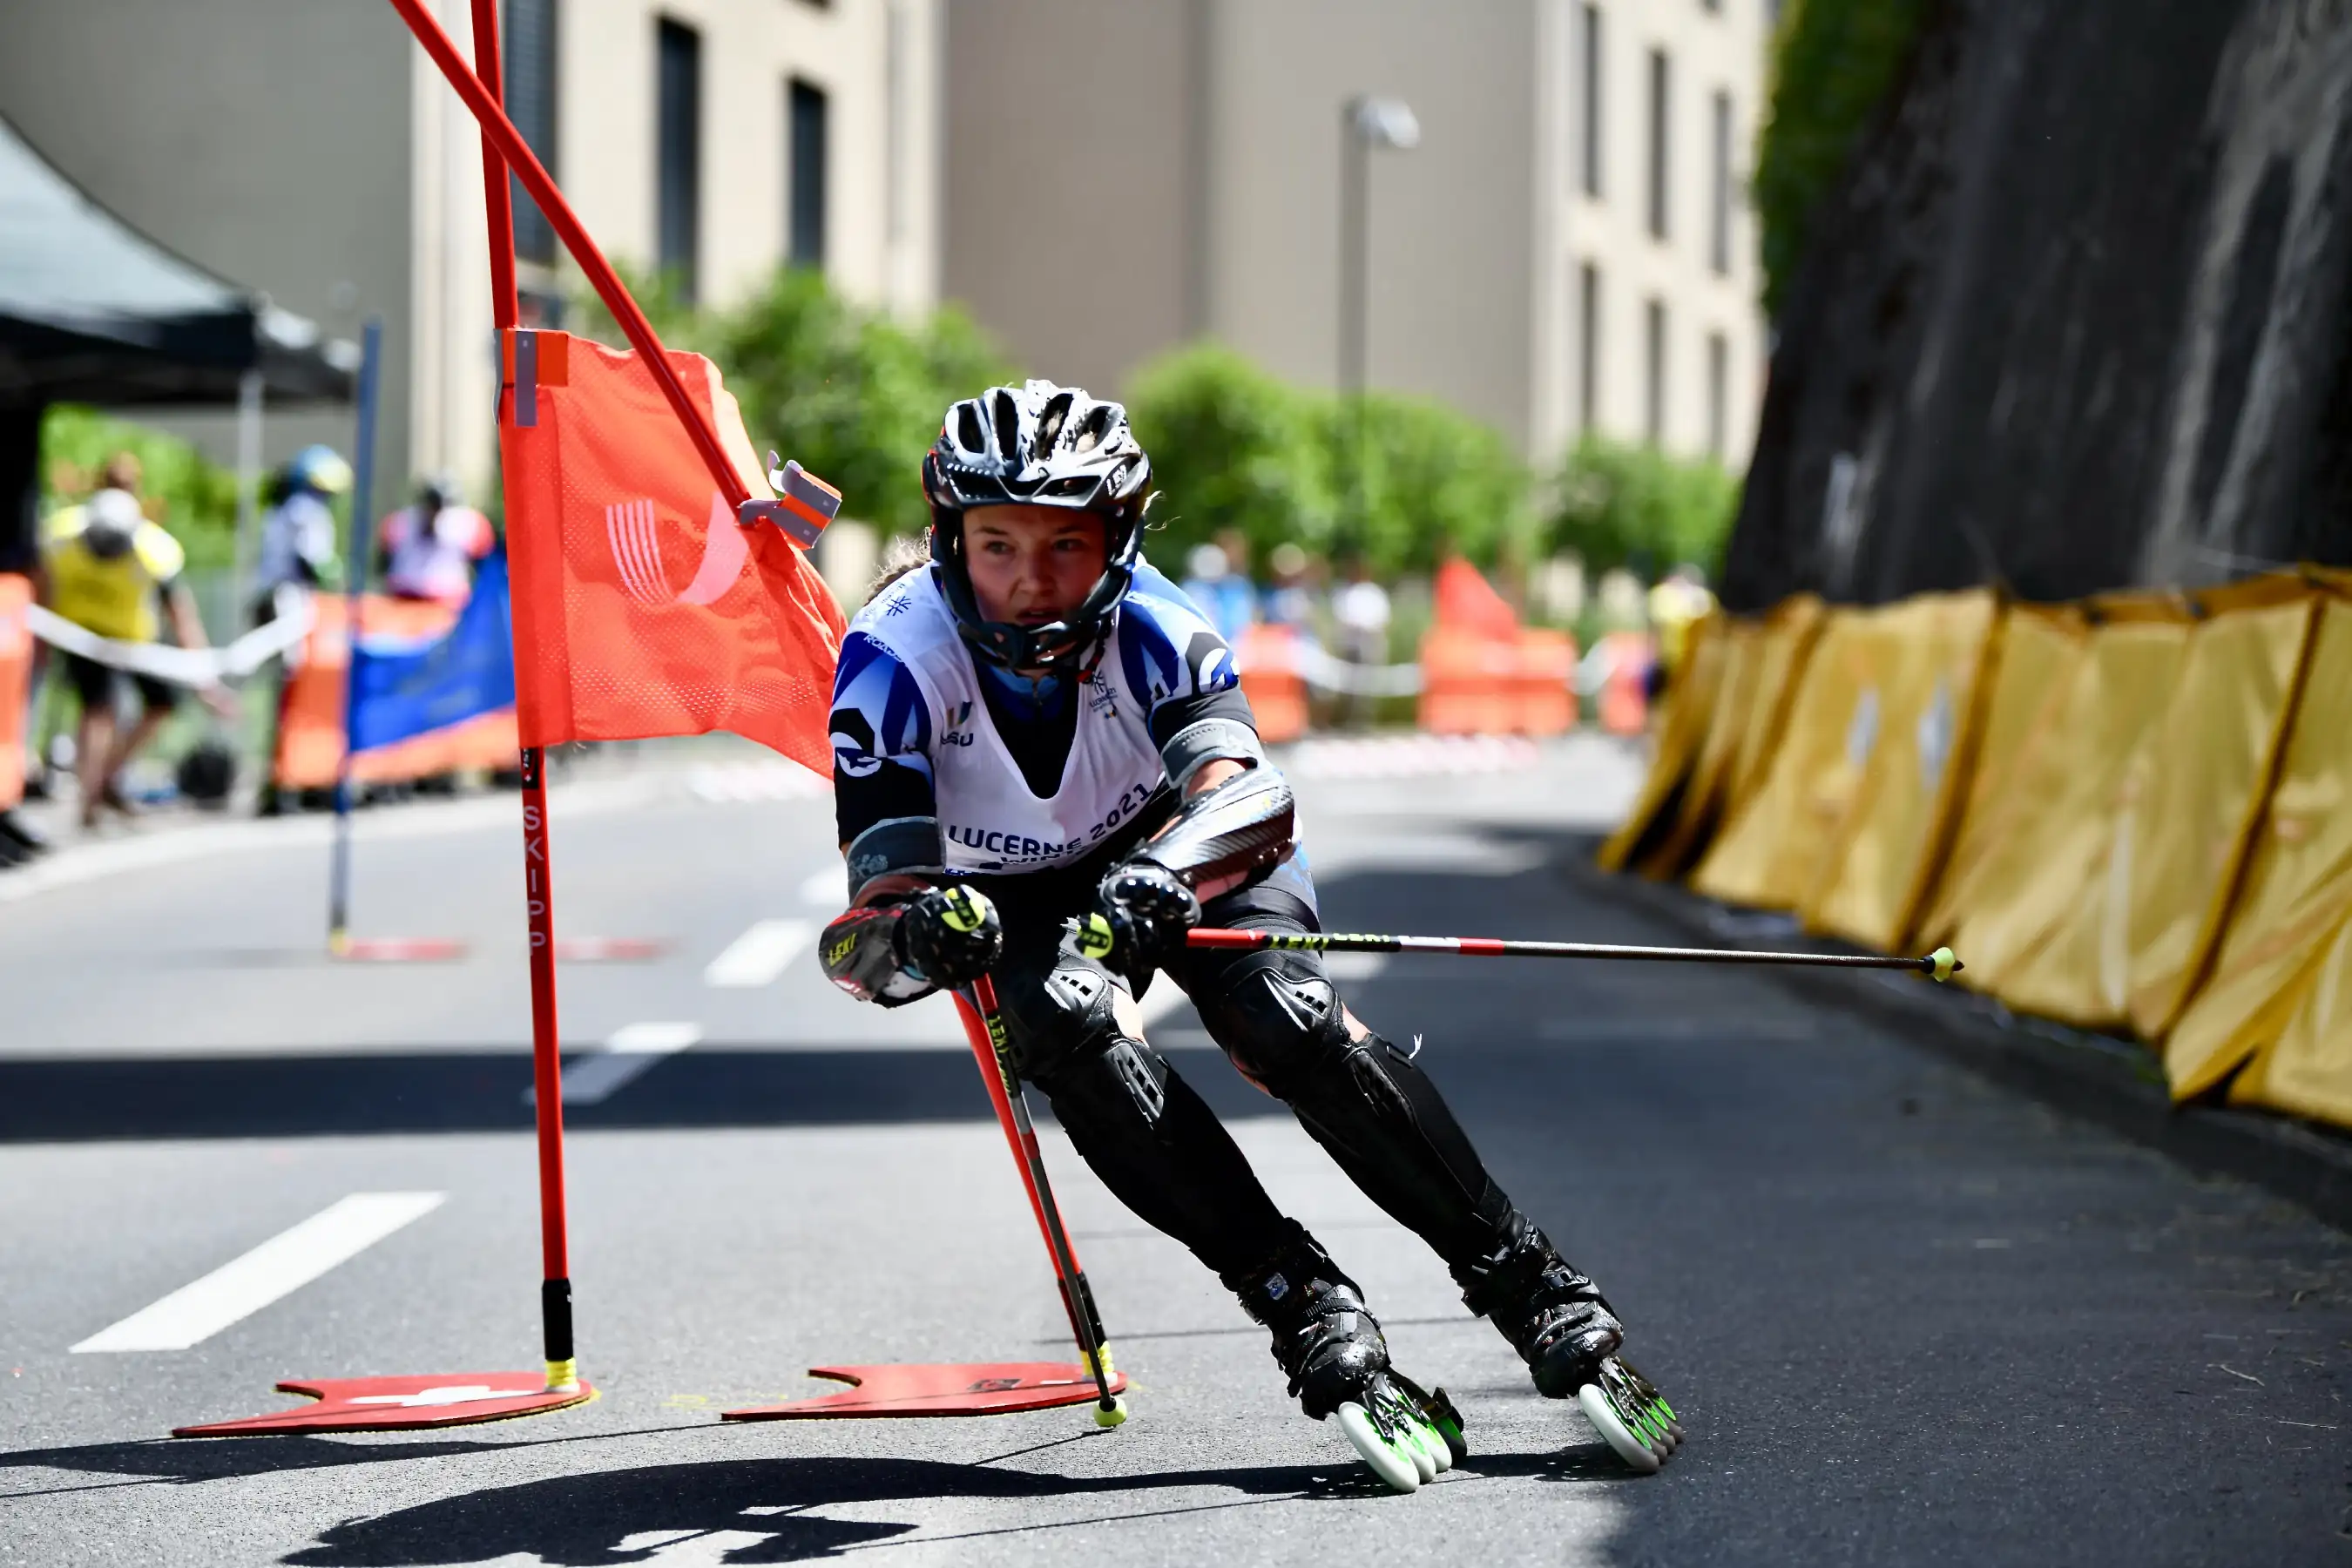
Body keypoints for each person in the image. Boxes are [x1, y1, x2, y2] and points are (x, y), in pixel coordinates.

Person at [820, 381, 1633, 1465]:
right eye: (996, 544)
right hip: (1010, 891)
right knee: (1065, 1030)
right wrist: (922, 936)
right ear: (947, 537)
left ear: (1117, 539)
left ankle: (1527, 1281)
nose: (1027, 581)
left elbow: (1252, 795)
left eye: (1064, 545)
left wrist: (1167, 868)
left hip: (1176, 841)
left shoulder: (1160, 621)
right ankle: (1299, 1300)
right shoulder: (889, 661)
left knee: (1283, 1016)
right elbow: (866, 931)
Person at [38, 480, 232, 828]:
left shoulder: (155, 554)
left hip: (134, 641)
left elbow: (182, 617)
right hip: (82, 636)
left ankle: (108, 776)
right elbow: (39, 588)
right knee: (99, 710)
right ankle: (90, 799)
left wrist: (206, 681)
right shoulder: (60, 537)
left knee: (163, 702)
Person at [376, 472, 495, 605]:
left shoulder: (468, 523)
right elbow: (383, 561)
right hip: (403, 599)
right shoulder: (400, 522)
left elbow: (485, 565)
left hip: (448, 602)